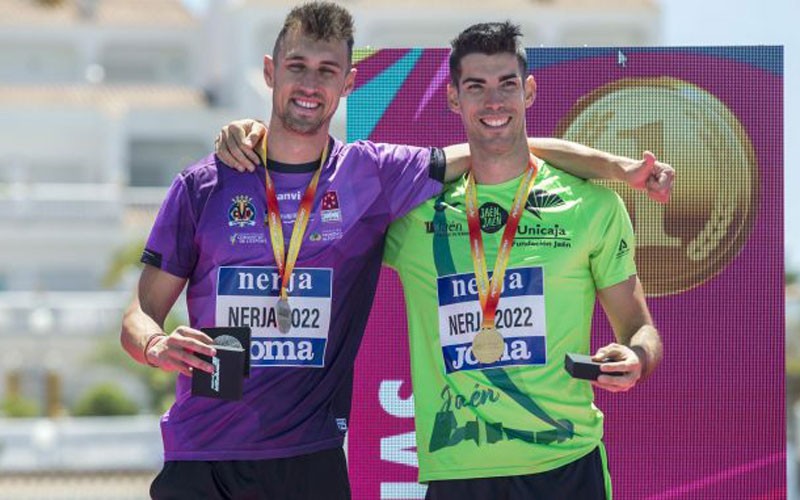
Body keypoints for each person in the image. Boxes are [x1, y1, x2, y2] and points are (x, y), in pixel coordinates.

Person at [121, 2, 668, 499]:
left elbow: (498, 144)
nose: (310, 84)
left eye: (327, 71)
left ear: (349, 82)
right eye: (297, 67)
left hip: (309, 458)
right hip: (202, 452)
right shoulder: (205, 184)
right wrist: (155, 346)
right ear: (270, 71)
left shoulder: (370, 178)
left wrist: (616, 167)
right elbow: (139, 314)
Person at [382, 22, 662, 499]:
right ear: (453, 98)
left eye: (507, 85)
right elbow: (324, 184)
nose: (494, 102)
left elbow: (640, 327)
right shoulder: (413, 212)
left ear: (529, 91)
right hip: (459, 472)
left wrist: (636, 356)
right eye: (476, 87)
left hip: (567, 463)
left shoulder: (592, 205)